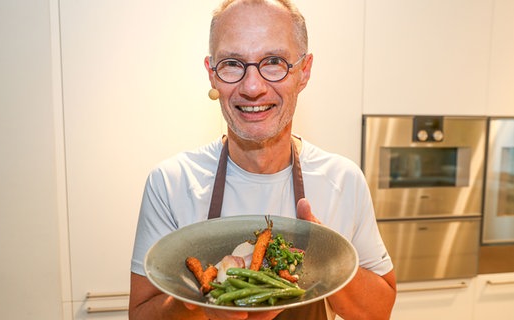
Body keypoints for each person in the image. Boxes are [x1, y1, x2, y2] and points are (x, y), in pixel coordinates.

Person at [128, 0, 396, 319]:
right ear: (212, 74)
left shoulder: (342, 180)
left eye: (273, 61)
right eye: (232, 63)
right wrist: (198, 303)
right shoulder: (171, 182)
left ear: (304, 71)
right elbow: (141, 314)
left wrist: (328, 255)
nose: (252, 87)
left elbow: (377, 311)